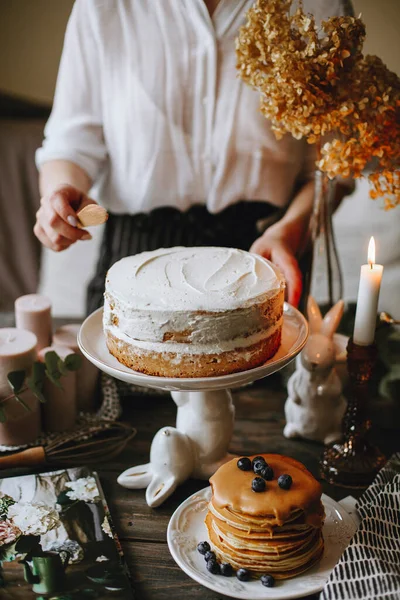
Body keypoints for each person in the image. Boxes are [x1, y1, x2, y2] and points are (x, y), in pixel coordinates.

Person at [34, 0, 354, 315]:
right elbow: (71, 143)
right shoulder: (103, 7)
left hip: (267, 253)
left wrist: (292, 228)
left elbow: (333, 166)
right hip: (135, 258)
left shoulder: (320, 9)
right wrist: (59, 194)